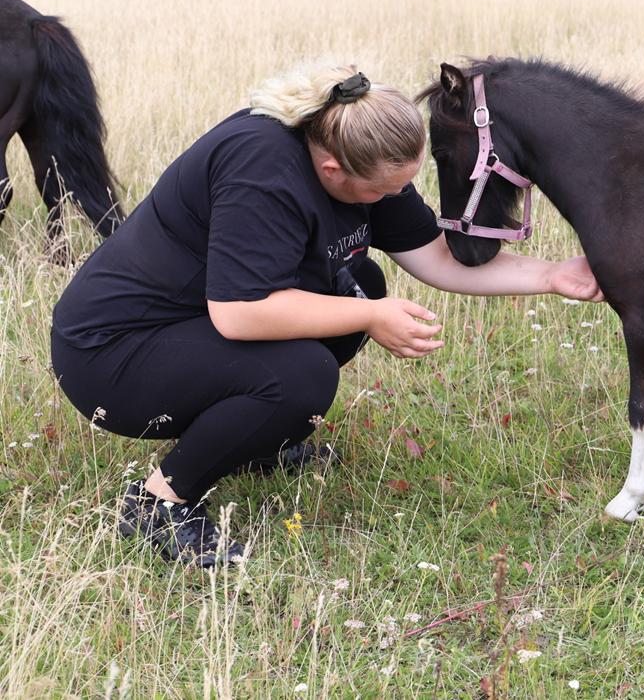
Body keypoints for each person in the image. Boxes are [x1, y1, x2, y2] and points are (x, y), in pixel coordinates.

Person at [50, 63, 602, 569]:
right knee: (304, 374)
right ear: (333, 170)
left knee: (363, 283)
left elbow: (436, 258)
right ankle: (159, 504)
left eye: (401, 186)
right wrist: (370, 317)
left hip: (190, 329)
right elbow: (239, 314)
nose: (392, 198)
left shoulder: (360, 149)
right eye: (381, 192)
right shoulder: (263, 171)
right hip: (113, 355)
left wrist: (553, 276)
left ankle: (254, 442)